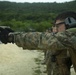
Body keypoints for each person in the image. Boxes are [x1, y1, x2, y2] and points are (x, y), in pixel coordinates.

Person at [1, 11, 76, 74]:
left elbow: (41, 39)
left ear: (71, 22)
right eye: (54, 26)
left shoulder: (73, 35)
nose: (55, 30)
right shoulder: (69, 42)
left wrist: (11, 37)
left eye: (57, 26)